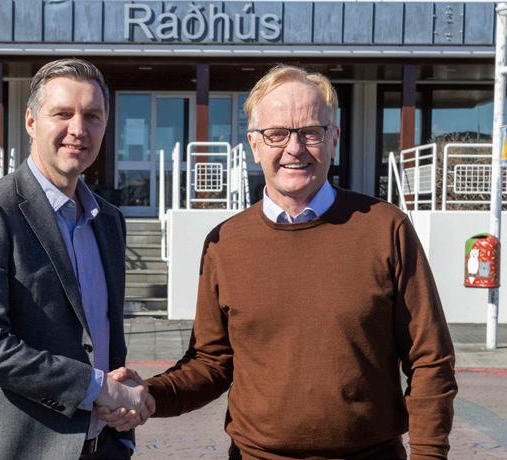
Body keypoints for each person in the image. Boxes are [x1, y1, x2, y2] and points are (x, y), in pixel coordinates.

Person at [133, 65, 458, 459]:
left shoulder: (385, 229)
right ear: (255, 145)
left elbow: (430, 359)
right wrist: (147, 395)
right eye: (277, 134)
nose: (294, 148)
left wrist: (428, 454)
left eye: (311, 132)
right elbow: (211, 363)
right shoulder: (225, 244)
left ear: (333, 138)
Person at [0, 58, 154, 460]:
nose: (79, 129)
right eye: (63, 114)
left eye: (93, 116)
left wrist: (120, 407)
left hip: (99, 447)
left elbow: (102, 342)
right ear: (31, 121)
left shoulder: (109, 221)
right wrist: (97, 388)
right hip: (13, 449)